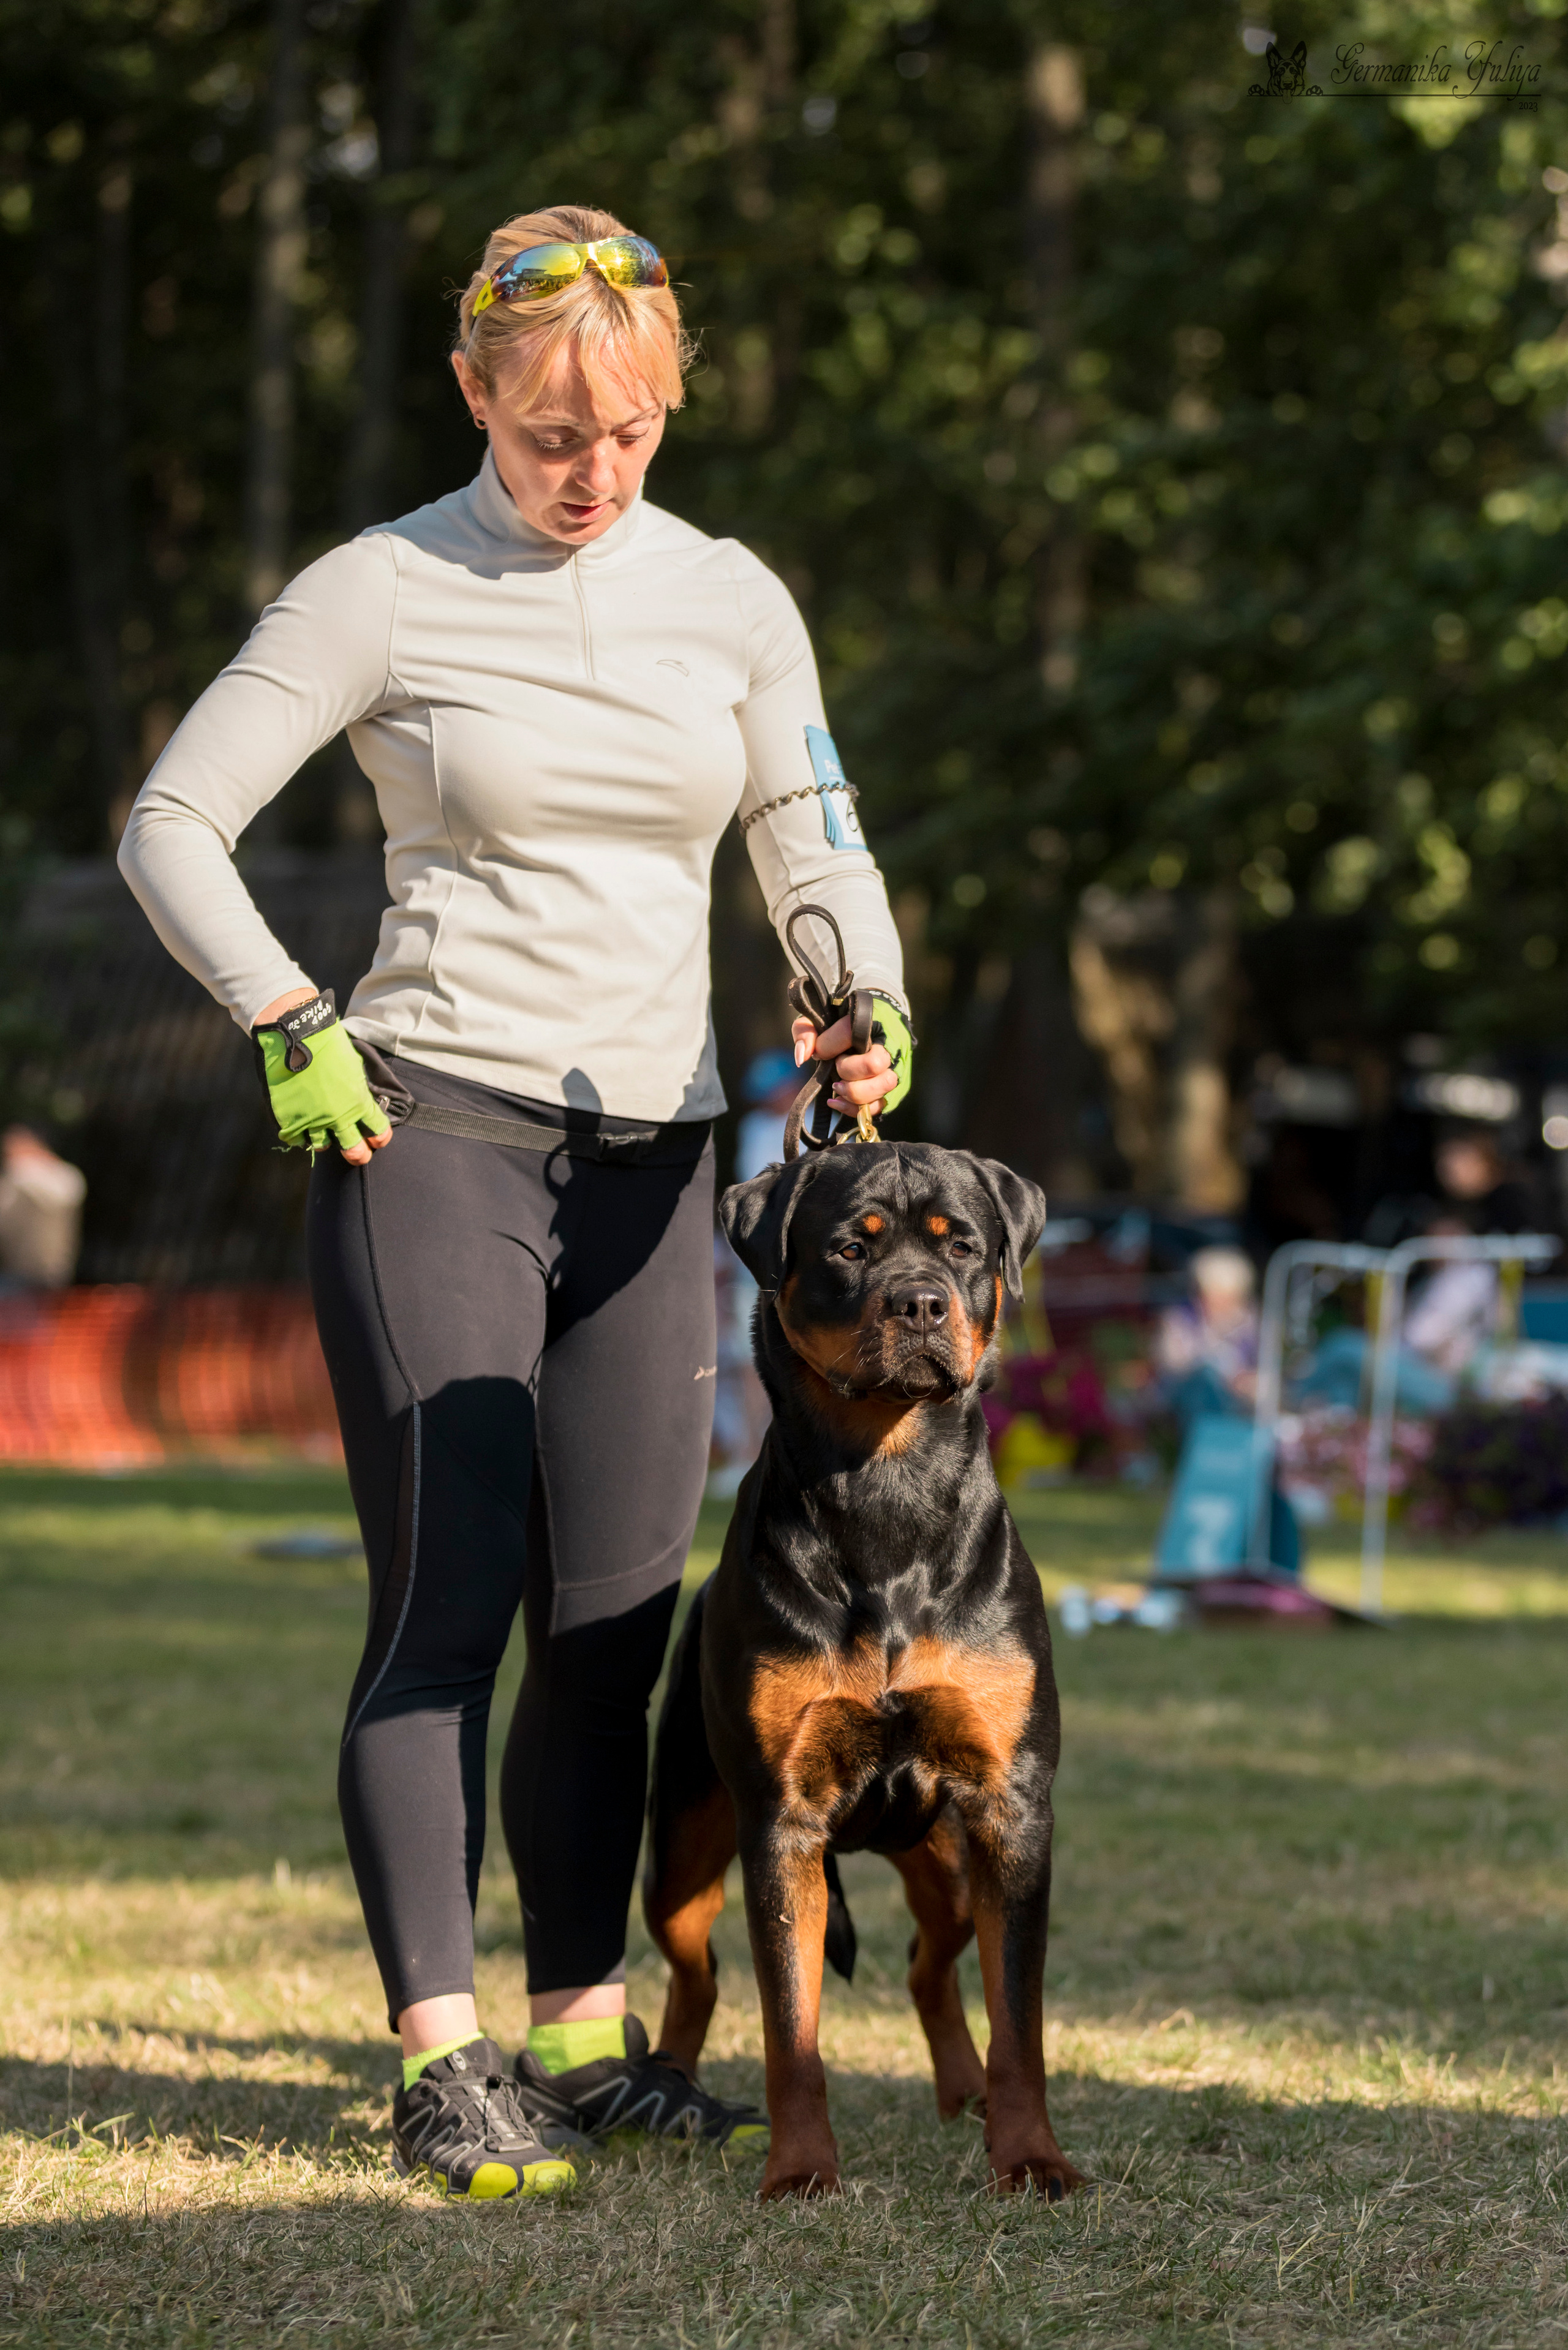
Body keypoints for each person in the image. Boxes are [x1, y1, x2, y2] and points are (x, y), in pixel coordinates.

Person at [118, 205, 914, 2202]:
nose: (595, 467)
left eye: (634, 428)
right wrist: (289, 1013)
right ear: (476, 393)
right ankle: (440, 2052)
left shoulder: (728, 600)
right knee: (448, 1600)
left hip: (655, 1161)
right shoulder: (380, 588)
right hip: (430, 1135)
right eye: (555, 429)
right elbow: (171, 822)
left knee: (615, 1624)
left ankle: (578, 2032)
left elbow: (804, 825)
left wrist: (859, 983)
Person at [0, 1128, 87, 1290]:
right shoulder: (66, 1177)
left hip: (35, 1277)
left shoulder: (53, 1176)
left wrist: (23, 1165)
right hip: (35, 1274)